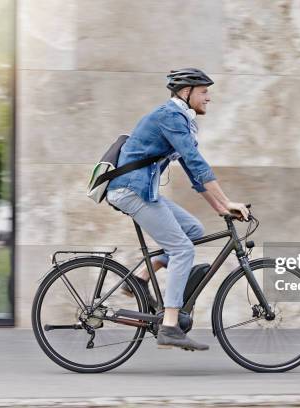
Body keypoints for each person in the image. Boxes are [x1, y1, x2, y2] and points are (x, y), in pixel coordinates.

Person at [106, 68, 249, 351]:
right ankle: (170, 326)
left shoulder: (179, 120)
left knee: (193, 230)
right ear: (186, 92)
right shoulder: (170, 116)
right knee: (183, 250)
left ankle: (140, 277)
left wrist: (222, 207)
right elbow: (197, 162)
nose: (209, 97)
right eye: (204, 91)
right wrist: (228, 200)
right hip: (131, 190)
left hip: (141, 189)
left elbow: (194, 175)